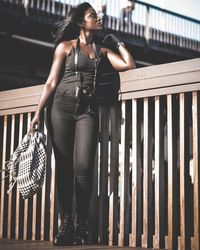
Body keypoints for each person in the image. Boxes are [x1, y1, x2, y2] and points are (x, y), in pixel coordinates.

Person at [30, 2, 135, 246]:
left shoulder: (102, 51)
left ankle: (82, 225)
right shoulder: (64, 47)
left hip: (87, 111)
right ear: (81, 22)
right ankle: (65, 225)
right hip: (61, 109)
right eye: (92, 16)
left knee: (84, 167)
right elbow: (51, 82)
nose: (97, 19)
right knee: (65, 168)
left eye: (97, 16)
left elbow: (129, 64)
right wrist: (37, 113)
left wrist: (116, 41)